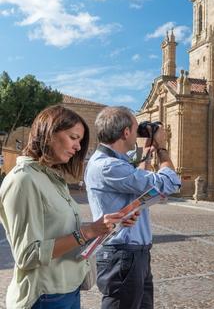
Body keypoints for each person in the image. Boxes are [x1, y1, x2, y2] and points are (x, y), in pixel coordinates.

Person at [0, 105, 138, 309]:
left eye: (80, 141)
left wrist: (107, 225)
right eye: (73, 138)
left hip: (68, 290)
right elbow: (27, 255)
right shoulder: (23, 180)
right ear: (48, 133)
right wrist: (88, 231)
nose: (78, 147)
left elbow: (64, 232)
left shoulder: (53, 179)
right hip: (44, 297)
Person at [85, 106, 181, 309]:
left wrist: (146, 152)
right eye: (136, 128)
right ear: (126, 132)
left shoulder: (115, 164)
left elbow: (136, 185)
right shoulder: (108, 166)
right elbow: (170, 183)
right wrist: (162, 149)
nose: (139, 133)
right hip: (123, 255)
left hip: (133, 255)